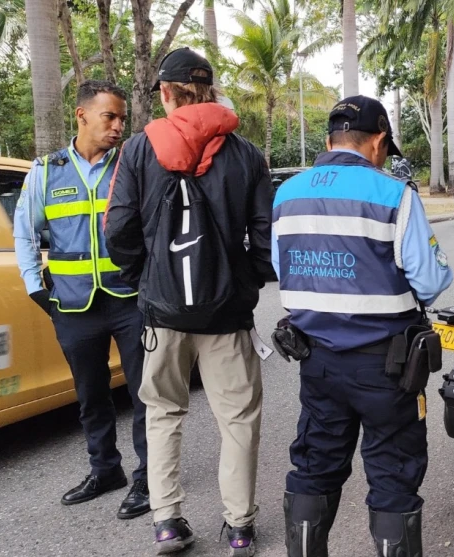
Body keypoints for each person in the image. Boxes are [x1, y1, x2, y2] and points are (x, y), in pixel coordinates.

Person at [103, 47, 271, 556]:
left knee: (162, 414)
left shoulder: (137, 150)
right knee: (238, 419)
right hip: (227, 315)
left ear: (166, 92)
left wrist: (145, 282)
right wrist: (245, 286)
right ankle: (239, 527)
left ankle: (167, 521)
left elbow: (119, 232)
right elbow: (266, 241)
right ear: (211, 90)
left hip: (161, 312)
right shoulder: (245, 154)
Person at [271, 95, 453, 557]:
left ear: (330, 139)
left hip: (317, 363)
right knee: (393, 474)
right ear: (377, 141)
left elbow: (282, 266)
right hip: (386, 367)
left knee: (314, 466)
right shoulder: (394, 194)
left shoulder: (287, 194)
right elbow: (430, 281)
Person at [13, 80, 149, 519]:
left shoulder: (128, 165)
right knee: (91, 395)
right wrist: (37, 288)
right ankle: (105, 470)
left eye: (122, 118)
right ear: (82, 115)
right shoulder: (46, 171)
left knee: (146, 394)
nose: (117, 126)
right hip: (72, 306)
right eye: (110, 116)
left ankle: (149, 478)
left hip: (129, 300)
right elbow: (25, 233)